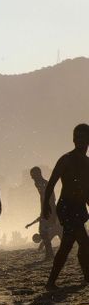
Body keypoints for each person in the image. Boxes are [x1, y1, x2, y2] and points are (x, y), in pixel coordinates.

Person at [43, 124, 89, 290]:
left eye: (84, 138)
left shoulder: (87, 163)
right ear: (73, 139)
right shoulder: (66, 159)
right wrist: (45, 205)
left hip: (79, 208)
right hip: (67, 208)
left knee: (68, 245)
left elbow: (86, 190)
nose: (80, 141)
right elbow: (51, 183)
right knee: (84, 243)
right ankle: (86, 276)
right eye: (77, 137)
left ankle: (51, 282)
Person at [24, 166, 61, 261]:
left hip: (50, 210)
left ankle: (50, 254)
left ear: (39, 174)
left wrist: (49, 210)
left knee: (44, 231)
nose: (32, 178)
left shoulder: (44, 184)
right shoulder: (38, 183)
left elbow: (52, 198)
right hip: (46, 210)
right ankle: (49, 253)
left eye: (33, 175)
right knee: (43, 232)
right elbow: (44, 198)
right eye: (31, 176)